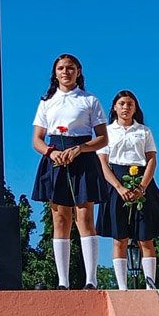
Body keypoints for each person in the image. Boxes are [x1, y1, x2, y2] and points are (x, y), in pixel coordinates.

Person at [31, 54, 109, 290]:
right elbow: (37, 139)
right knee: (60, 218)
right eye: (61, 68)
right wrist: (50, 153)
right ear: (55, 73)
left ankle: (91, 280)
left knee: (84, 216)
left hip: (82, 158)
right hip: (55, 158)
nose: (66, 72)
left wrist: (81, 149)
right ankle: (62, 282)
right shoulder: (46, 102)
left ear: (78, 71)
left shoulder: (90, 100)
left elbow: (103, 138)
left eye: (71, 68)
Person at [95, 90, 159, 290]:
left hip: (142, 181)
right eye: (122, 103)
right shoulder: (107, 132)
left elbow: (151, 160)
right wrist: (119, 187)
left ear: (135, 108)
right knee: (119, 237)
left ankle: (150, 286)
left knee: (145, 237)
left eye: (130, 104)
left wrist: (142, 187)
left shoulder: (144, 131)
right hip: (116, 182)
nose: (125, 108)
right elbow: (103, 164)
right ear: (114, 107)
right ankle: (122, 287)